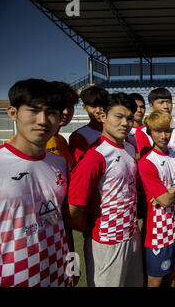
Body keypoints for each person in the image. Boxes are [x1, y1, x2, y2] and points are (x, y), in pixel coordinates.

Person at [0, 79, 74, 287]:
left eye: (51, 112)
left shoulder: (60, 163)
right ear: (13, 113)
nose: (42, 120)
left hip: (58, 275)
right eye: (33, 110)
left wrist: (72, 265)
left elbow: (62, 224)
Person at [67, 93, 143, 287]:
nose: (125, 123)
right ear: (103, 116)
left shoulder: (128, 148)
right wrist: (93, 230)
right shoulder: (95, 155)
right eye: (118, 116)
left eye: (129, 118)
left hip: (132, 234)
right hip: (107, 240)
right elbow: (74, 206)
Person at [138, 110, 175, 287]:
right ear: (150, 132)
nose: (163, 135)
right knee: (155, 279)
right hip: (158, 231)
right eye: (158, 131)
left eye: (167, 130)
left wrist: (173, 191)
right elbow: (165, 201)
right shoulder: (147, 162)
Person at [7, 81, 79, 170]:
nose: (66, 112)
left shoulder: (61, 140)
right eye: (62, 107)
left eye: (70, 107)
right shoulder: (21, 146)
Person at [69, 85, 109, 164]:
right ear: (84, 108)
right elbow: (82, 168)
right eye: (93, 106)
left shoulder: (119, 131)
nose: (98, 110)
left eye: (102, 105)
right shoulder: (79, 136)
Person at [135, 87, 173, 158]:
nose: (166, 106)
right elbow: (146, 158)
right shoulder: (142, 131)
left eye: (169, 102)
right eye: (161, 102)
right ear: (151, 106)